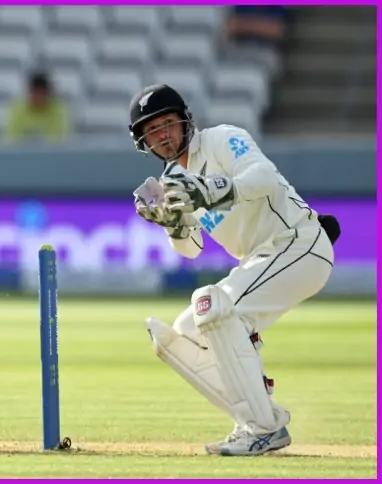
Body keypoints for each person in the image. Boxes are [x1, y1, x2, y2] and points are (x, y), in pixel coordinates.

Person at [128, 84, 340, 456]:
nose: (162, 135)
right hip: (260, 260)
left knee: (212, 307)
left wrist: (209, 191)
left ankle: (263, 428)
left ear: (184, 120)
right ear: (144, 142)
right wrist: (171, 222)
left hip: (298, 243)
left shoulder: (222, 139)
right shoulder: (170, 184)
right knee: (184, 333)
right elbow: (190, 249)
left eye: (166, 124)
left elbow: (264, 178)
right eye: (151, 131)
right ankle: (260, 416)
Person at [2, 71, 69, 144]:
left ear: (49, 94)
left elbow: (62, 139)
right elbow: (10, 138)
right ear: (30, 93)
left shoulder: (59, 110)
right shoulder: (17, 109)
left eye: (42, 93)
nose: (39, 97)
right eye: (36, 93)